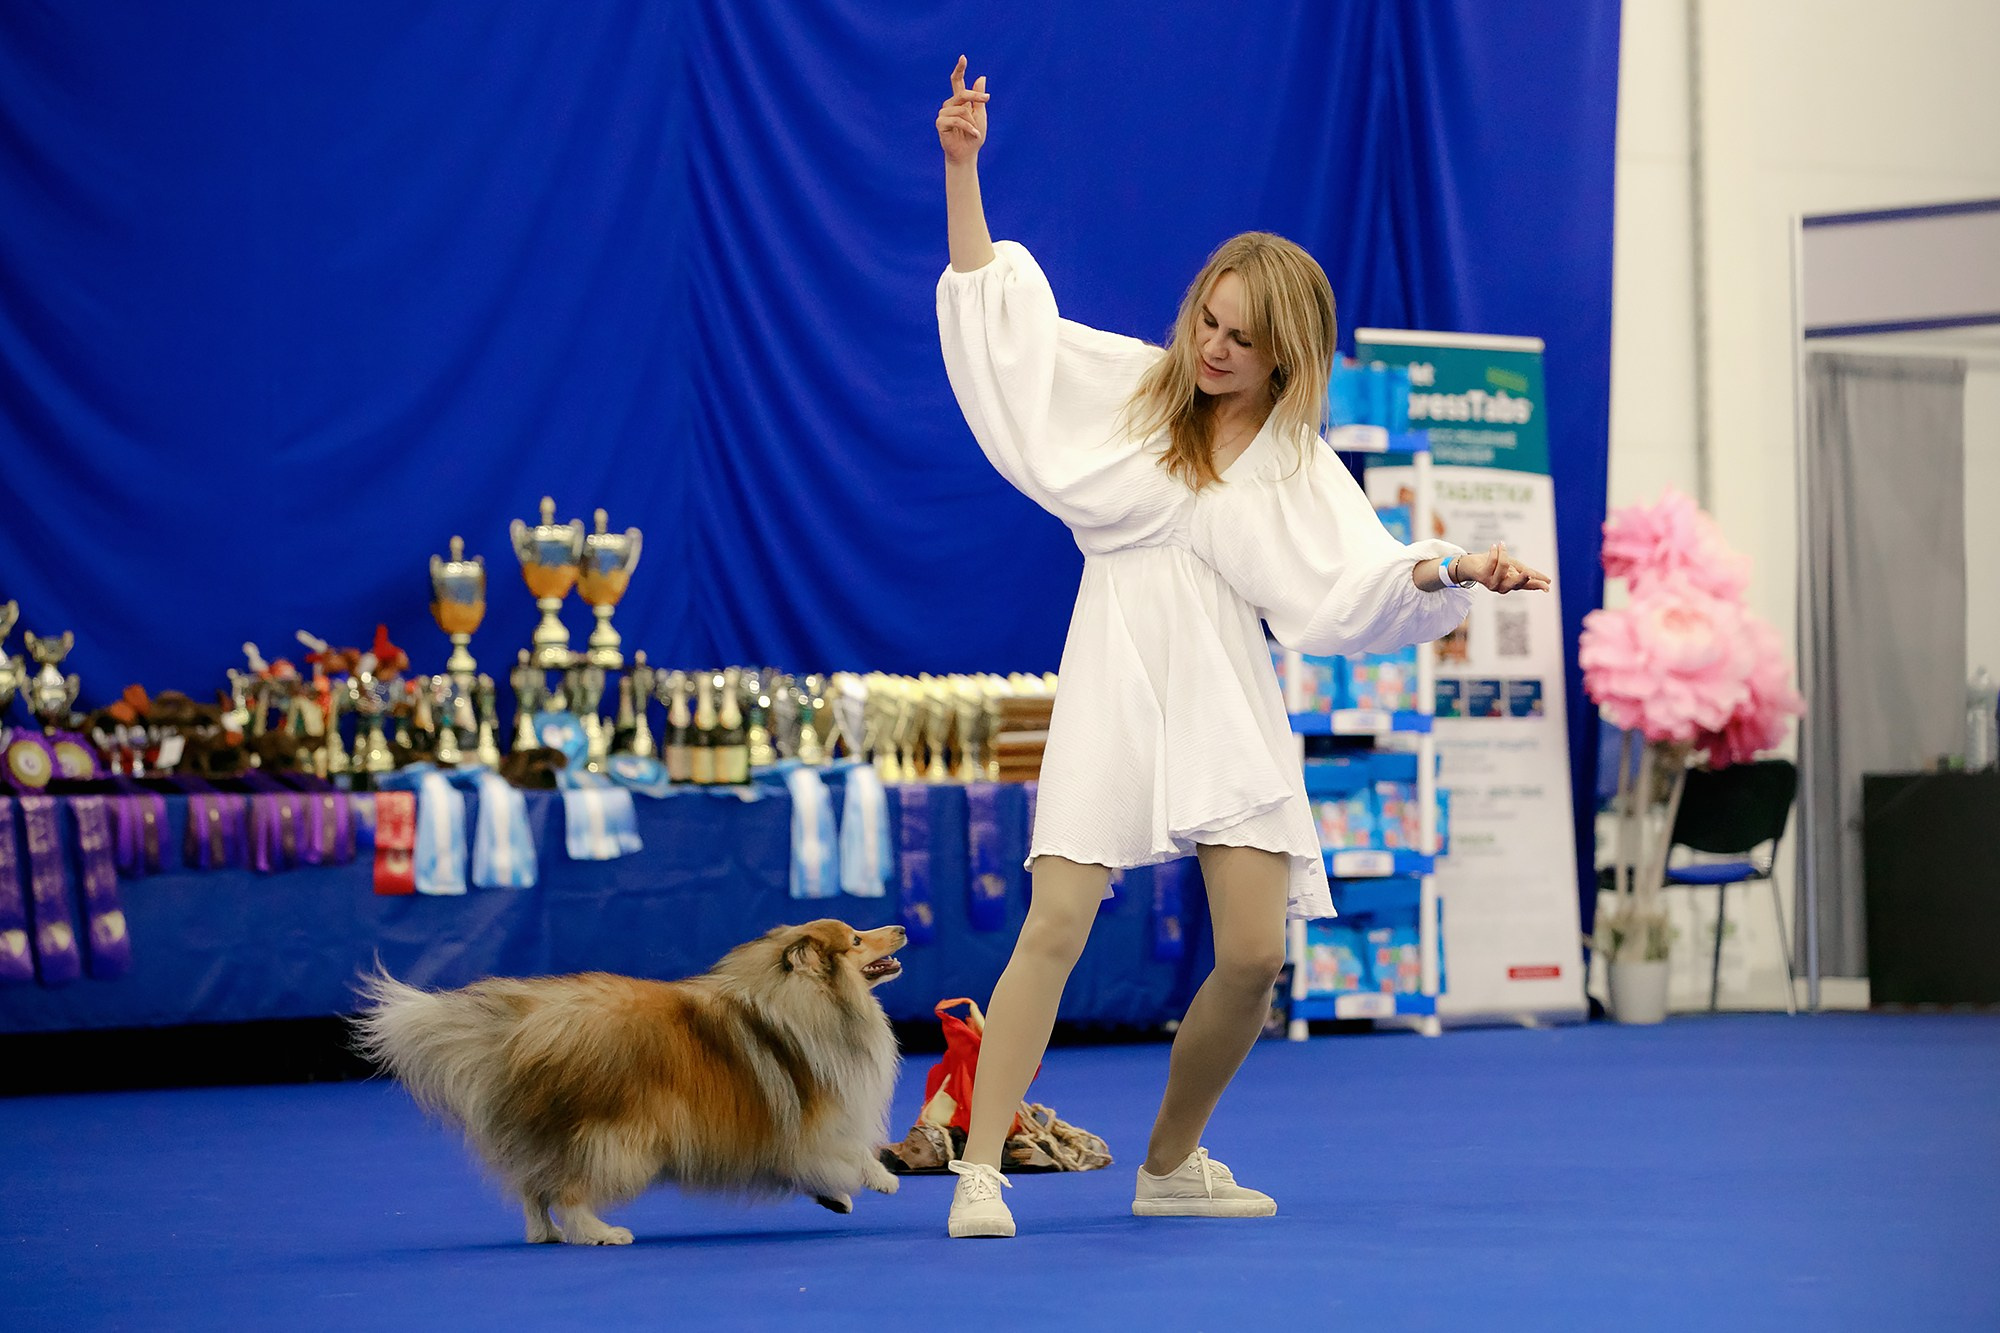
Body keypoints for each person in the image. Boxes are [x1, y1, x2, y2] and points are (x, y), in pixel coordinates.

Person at [932, 56, 1549, 1240]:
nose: (1215, 348)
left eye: (1241, 339)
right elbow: (1006, 332)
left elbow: (1359, 575)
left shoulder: (1294, 462)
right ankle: (977, 1172)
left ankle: (1168, 1162)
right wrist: (962, 169)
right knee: (1054, 921)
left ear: (1283, 358)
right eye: (1209, 320)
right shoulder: (1131, 390)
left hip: (1219, 689)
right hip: (1116, 668)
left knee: (1255, 952)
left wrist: (1460, 565)